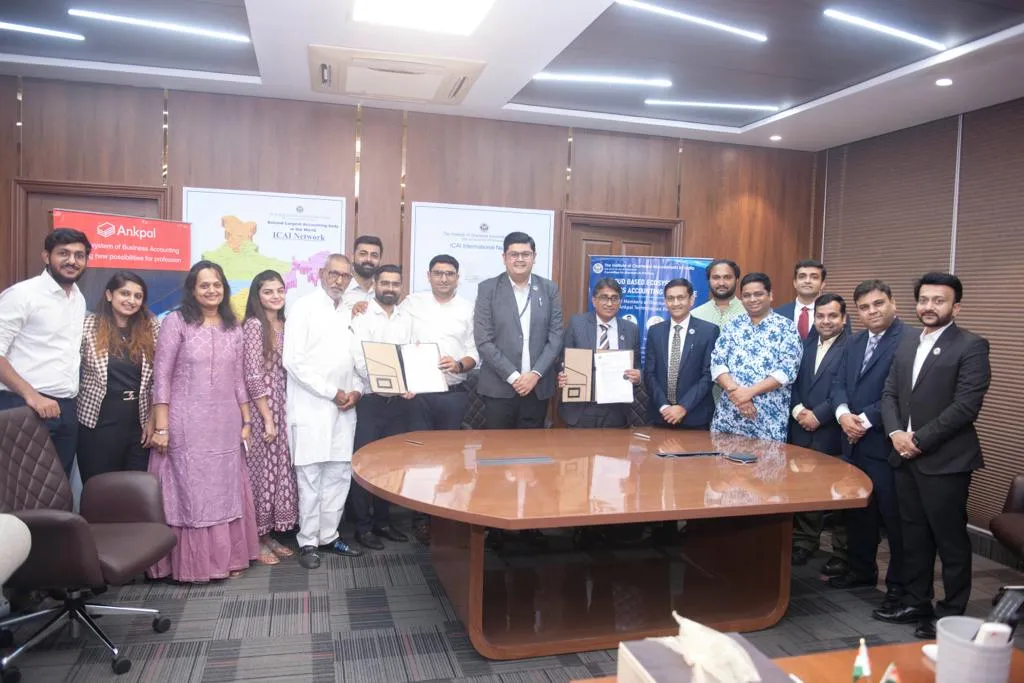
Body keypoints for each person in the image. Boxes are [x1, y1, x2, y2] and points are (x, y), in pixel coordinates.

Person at [875, 272, 991, 640]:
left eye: (939, 301)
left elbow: (965, 407)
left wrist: (919, 440)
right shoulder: (908, 342)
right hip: (903, 455)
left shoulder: (971, 346)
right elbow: (889, 394)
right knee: (913, 535)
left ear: (956, 307)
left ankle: (951, 613)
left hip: (945, 461)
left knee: (949, 540)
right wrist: (896, 434)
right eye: (924, 300)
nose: (929, 306)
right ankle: (916, 601)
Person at [147, 261, 259, 583]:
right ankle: (191, 564)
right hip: (186, 421)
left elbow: (238, 378)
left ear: (224, 288)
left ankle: (227, 557)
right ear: (193, 290)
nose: (212, 290)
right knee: (190, 489)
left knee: (224, 488)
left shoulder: (233, 326)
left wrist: (247, 420)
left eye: (217, 285)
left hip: (225, 422)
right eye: (204, 285)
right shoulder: (176, 322)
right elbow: (162, 376)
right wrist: (162, 427)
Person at [283, 254, 364, 570]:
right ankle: (308, 541)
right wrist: (333, 392)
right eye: (334, 274)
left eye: (345, 276)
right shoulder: (303, 307)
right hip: (312, 407)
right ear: (321, 274)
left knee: (339, 475)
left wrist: (357, 390)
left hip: (345, 409)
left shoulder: (350, 311)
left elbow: (358, 359)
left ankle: (329, 536)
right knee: (311, 477)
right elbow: (293, 361)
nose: (339, 280)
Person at [828, 280, 907, 597]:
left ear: (892, 303)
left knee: (895, 520)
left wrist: (863, 420)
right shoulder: (854, 341)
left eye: (878, 304)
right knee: (860, 515)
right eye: (864, 307)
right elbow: (838, 384)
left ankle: (898, 587)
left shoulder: (910, 340)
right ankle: (861, 572)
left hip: (885, 445)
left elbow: (901, 393)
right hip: (852, 442)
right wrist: (843, 414)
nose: (871, 311)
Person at [401, 255, 479, 545]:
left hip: (453, 394)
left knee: (450, 460)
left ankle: (446, 517)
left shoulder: (468, 308)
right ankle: (421, 519)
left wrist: (459, 364)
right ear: (428, 276)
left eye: (449, 274)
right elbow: (396, 335)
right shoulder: (412, 303)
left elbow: (475, 351)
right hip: (418, 395)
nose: (443, 278)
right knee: (419, 458)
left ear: (458, 277)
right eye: (438, 273)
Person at [0, 228, 90, 476]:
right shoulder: (22, 295)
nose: (72, 261)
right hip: (23, 404)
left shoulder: (78, 298)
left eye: (79, 255)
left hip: (66, 408)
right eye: (64, 253)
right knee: (22, 486)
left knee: (59, 486)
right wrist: (33, 396)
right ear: (46, 256)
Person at [350, 264, 414, 550]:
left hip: (399, 403)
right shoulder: (362, 316)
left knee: (391, 464)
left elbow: (411, 355)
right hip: (371, 402)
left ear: (401, 286)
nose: (390, 288)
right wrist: (392, 382)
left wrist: (410, 382)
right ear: (375, 284)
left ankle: (383, 523)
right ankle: (362, 527)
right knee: (365, 464)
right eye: (385, 283)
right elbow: (360, 360)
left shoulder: (406, 318)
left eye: (395, 283)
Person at [474, 232, 563, 429]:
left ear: (534, 257)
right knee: (497, 446)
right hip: (499, 388)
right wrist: (514, 377)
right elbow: (483, 340)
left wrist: (535, 374)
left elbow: (556, 336)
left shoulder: (549, 289)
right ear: (504, 257)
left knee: (532, 446)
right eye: (514, 254)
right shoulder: (488, 288)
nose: (520, 259)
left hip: (537, 388)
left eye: (526, 254)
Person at [77, 271, 160, 482]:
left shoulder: (151, 328)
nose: (131, 300)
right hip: (97, 423)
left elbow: (161, 377)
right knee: (98, 487)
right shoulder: (87, 325)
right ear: (109, 295)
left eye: (137, 296)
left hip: (138, 424)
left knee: (135, 488)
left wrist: (153, 419)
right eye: (125, 293)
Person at [242, 270, 299, 566]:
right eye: (268, 291)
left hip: (285, 403)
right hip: (262, 406)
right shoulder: (254, 326)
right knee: (260, 473)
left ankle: (268, 536)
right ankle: (254, 539)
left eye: (280, 290)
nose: (276, 296)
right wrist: (266, 418)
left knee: (278, 471)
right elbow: (252, 375)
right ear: (257, 295)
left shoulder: (287, 324)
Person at [788, 293, 849, 567]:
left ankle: (842, 554)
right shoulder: (805, 344)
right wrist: (799, 411)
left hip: (831, 431)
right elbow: (791, 381)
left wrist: (818, 416)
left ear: (844, 318)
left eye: (832, 316)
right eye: (820, 316)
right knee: (805, 489)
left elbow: (844, 388)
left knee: (839, 496)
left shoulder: (852, 347)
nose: (826, 321)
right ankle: (804, 542)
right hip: (801, 428)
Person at [710, 273, 802, 442]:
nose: (752, 299)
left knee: (766, 459)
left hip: (768, 418)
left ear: (770, 295)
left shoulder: (786, 327)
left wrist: (748, 393)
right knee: (722, 458)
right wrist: (738, 394)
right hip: (729, 415)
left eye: (758, 294)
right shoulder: (732, 325)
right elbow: (717, 363)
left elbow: (786, 371)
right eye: (747, 295)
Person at [557, 278, 641, 428]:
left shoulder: (631, 329)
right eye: (604, 297)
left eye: (614, 298)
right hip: (582, 409)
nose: (609, 303)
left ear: (620, 302)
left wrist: (637, 376)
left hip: (616, 410)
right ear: (594, 300)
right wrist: (561, 374)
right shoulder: (577, 324)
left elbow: (637, 365)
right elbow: (562, 359)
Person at [644, 278, 719, 430]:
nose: (676, 303)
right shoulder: (655, 331)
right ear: (665, 302)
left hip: (695, 417)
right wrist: (664, 406)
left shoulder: (709, 331)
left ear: (691, 300)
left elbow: (708, 375)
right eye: (670, 298)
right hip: (661, 416)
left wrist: (683, 406)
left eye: (681, 297)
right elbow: (649, 373)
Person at [691, 259, 745, 328]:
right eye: (716, 278)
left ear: (736, 280)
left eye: (727, 277)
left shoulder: (749, 312)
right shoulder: (695, 315)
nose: (721, 283)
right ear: (708, 280)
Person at [344, 235, 384, 311]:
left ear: (380, 260)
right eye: (363, 254)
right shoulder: (341, 287)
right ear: (353, 257)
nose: (368, 259)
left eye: (374, 255)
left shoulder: (383, 291)